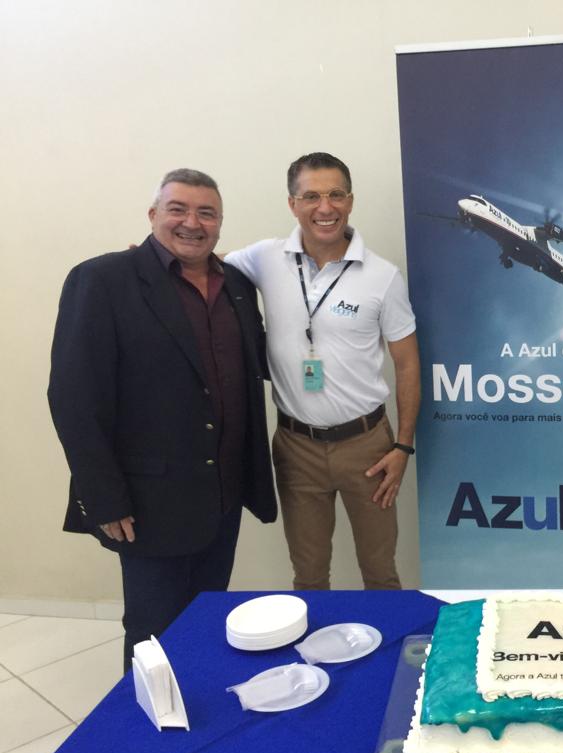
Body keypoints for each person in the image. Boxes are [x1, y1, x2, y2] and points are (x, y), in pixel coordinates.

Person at [48, 169, 277, 672]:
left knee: (207, 618)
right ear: (153, 215)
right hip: (148, 501)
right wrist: (103, 497)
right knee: (152, 632)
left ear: (219, 224)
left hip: (223, 494)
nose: (192, 222)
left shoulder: (236, 285)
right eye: (178, 209)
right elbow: (72, 397)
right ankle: (148, 722)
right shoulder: (103, 280)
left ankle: (199, 706)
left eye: (206, 213)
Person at [226, 152, 420, 591]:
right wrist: (153, 257)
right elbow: (208, 260)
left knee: (380, 571)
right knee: (309, 574)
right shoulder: (265, 258)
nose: (325, 207)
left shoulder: (383, 276)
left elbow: (407, 363)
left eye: (335, 195)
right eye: (311, 196)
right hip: (296, 448)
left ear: (350, 201)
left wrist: (403, 447)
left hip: (368, 448)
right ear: (292, 204)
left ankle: (385, 639)